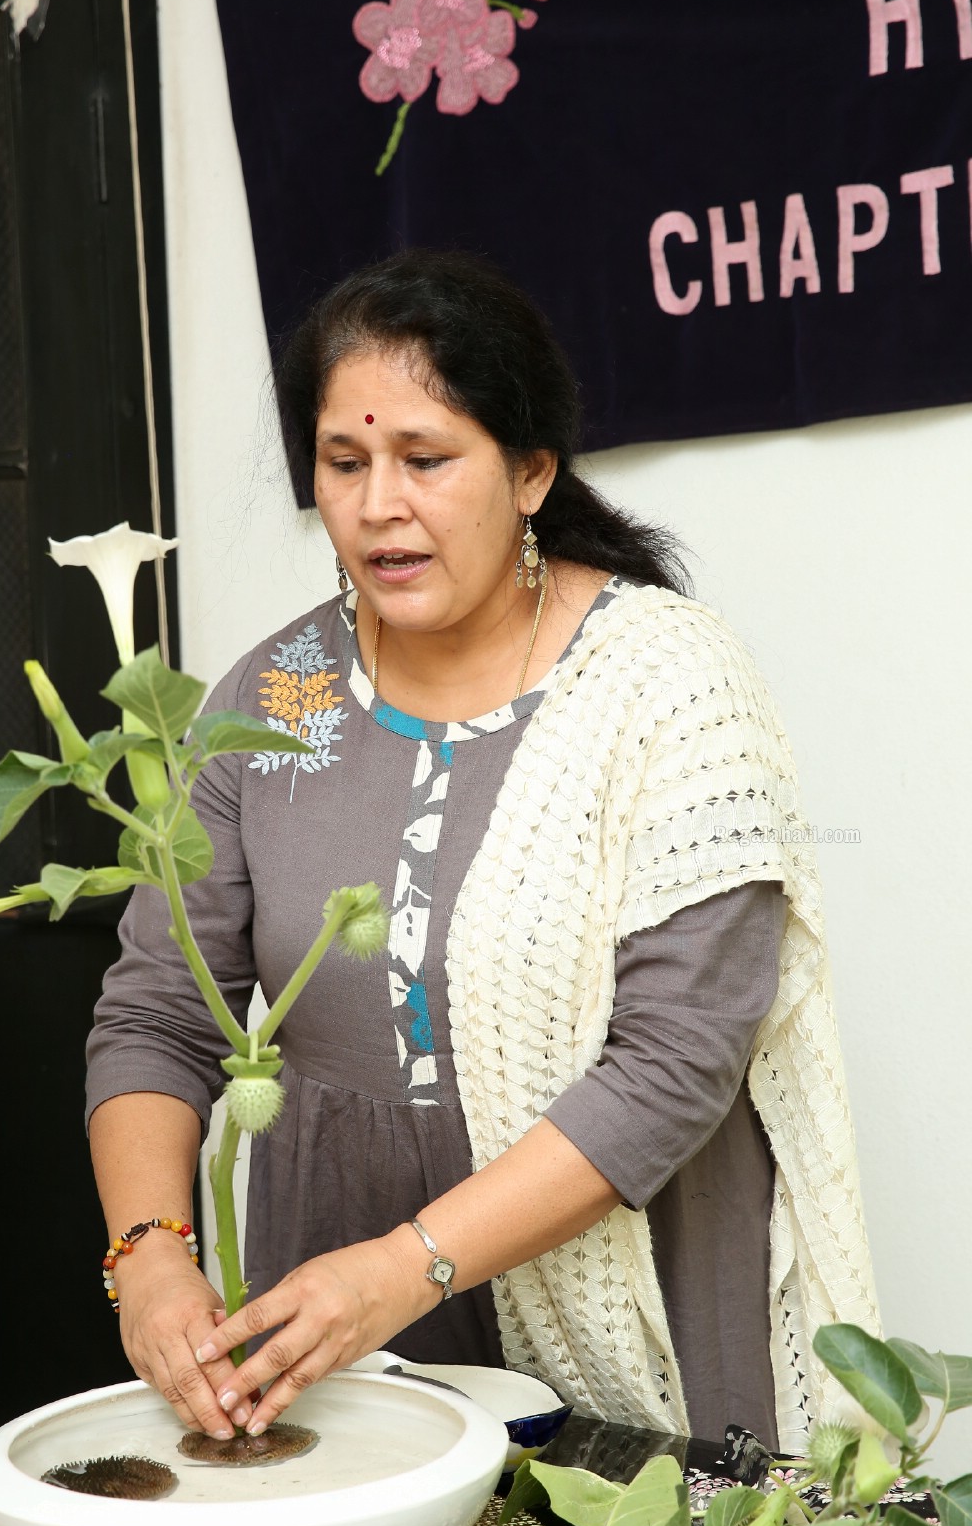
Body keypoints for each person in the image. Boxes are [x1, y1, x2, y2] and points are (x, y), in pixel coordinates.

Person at [85, 250, 879, 1457]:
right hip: (333, 1321)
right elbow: (159, 1010)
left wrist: (407, 1266)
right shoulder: (276, 696)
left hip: (619, 1293)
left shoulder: (668, 689)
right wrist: (148, 1258)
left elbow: (676, 1063)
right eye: (344, 464)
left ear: (530, 472)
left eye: (426, 458)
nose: (377, 504)